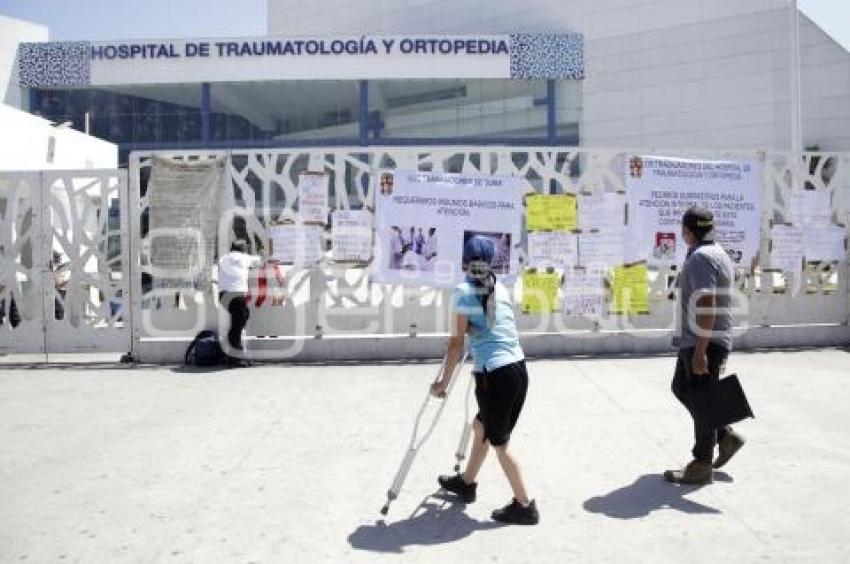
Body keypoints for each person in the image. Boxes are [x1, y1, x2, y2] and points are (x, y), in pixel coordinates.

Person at [430, 236, 539, 525]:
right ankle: (467, 483)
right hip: (517, 371)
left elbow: (456, 344)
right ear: (491, 263)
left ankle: (525, 504)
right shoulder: (499, 288)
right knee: (481, 426)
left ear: (465, 263)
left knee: (500, 443)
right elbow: (486, 328)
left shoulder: (463, 291)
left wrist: (442, 383)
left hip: (495, 376)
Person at [664, 207, 745, 485]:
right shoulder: (716, 252)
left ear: (687, 231)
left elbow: (707, 304)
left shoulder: (700, 257)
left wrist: (700, 351)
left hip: (704, 342)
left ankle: (701, 464)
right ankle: (723, 435)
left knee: (702, 398)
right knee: (682, 388)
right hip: (699, 339)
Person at [217, 239, 262, 367]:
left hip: (223, 295)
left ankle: (233, 353)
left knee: (242, 318)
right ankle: (234, 359)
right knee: (237, 326)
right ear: (243, 249)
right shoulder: (244, 258)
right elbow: (260, 260)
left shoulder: (223, 258)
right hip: (236, 295)